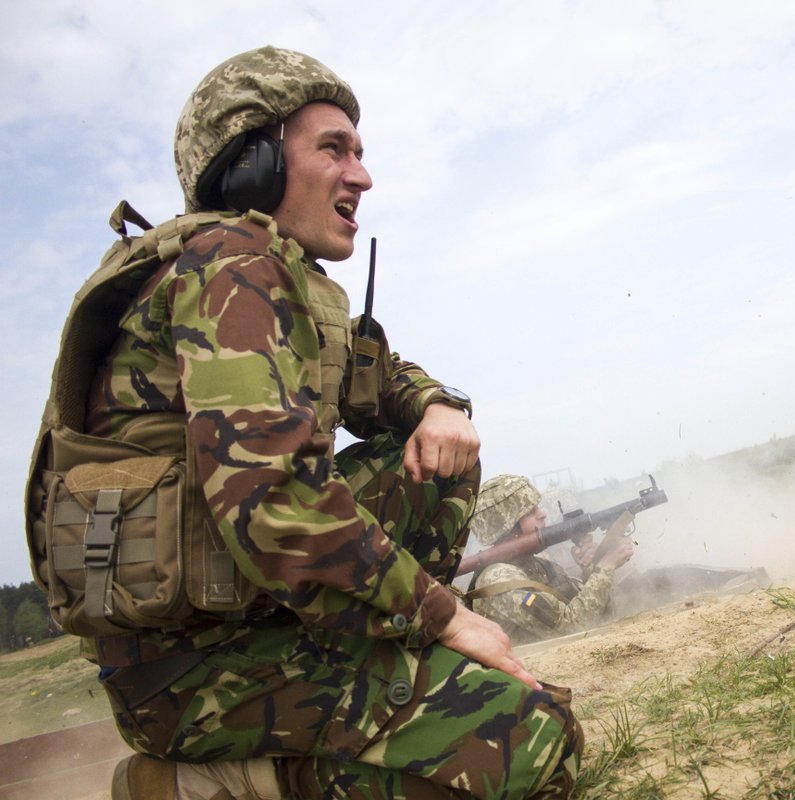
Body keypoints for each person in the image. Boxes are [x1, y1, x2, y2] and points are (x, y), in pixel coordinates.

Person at [32, 46, 581, 799]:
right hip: (191, 671)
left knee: (439, 456)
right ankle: (196, 784)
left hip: (256, 623)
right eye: (334, 149)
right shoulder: (230, 273)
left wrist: (437, 404)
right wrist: (443, 618)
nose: (362, 175)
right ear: (251, 165)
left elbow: (383, 379)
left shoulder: (277, 279)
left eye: (360, 152)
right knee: (535, 747)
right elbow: (275, 502)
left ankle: (372, 672)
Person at [466, 476, 634, 645]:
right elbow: (572, 630)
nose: (543, 514)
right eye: (530, 512)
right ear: (508, 528)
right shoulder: (499, 578)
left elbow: (602, 616)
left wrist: (591, 568)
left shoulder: (539, 564)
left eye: (537, 508)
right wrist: (605, 567)